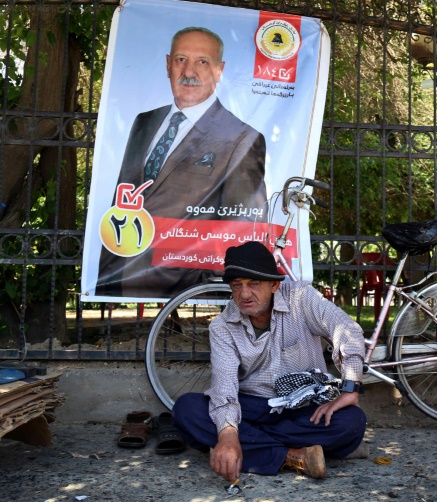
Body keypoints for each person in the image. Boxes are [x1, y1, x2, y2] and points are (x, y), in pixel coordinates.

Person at [172, 241, 367, 481]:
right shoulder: (222, 326)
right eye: (237, 285)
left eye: (254, 284)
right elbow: (225, 387)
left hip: (301, 408)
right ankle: (293, 456)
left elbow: (346, 329)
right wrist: (228, 433)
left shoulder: (301, 298)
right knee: (187, 409)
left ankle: (251, 448)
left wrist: (350, 388)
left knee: (352, 422)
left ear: (274, 285)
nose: (244, 294)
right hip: (251, 407)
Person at [96, 27, 267, 298]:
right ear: (168, 65)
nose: (189, 72)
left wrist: (206, 287)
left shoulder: (241, 137)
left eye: (202, 62)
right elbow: (123, 196)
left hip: (184, 290)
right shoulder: (145, 121)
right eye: (180, 59)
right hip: (117, 275)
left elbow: (242, 225)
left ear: (219, 70)